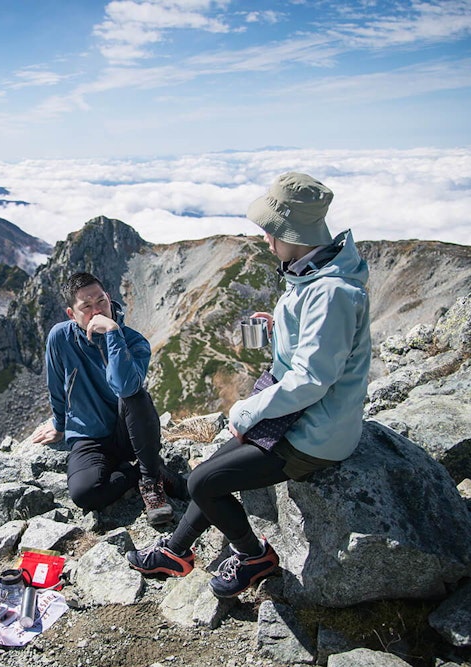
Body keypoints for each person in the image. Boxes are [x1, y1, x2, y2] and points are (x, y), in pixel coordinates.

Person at [126, 172, 372, 598]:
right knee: (206, 473)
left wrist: (245, 410)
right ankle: (176, 550)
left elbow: (312, 378)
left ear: (293, 232)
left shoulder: (330, 293)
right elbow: (317, 355)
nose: (265, 239)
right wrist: (282, 333)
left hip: (315, 435)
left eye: (270, 230)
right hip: (303, 418)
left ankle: (254, 556)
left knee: (204, 483)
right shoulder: (314, 272)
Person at [31, 271, 187, 526]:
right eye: (87, 307)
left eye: (101, 301)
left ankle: (151, 484)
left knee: (136, 395)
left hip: (130, 432)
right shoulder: (60, 337)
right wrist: (59, 425)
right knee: (84, 494)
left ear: (109, 297)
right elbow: (56, 387)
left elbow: (125, 386)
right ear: (72, 314)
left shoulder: (134, 341)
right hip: (90, 436)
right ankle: (144, 472)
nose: (98, 311)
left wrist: (113, 332)